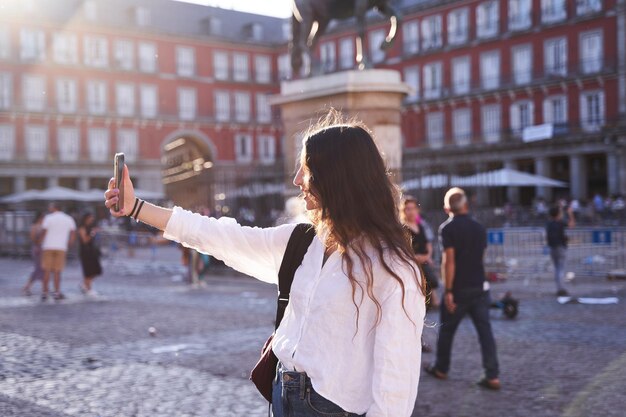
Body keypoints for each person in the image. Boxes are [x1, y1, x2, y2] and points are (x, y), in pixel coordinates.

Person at [104, 112, 426, 417]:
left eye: (307, 168)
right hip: (281, 395)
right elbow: (219, 235)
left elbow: (395, 387)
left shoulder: (394, 269)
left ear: (337, 177)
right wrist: (136, 208)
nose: (297, 178)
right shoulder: (302, 242)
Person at [424, 187, 500, 390]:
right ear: (466, 205)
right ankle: (492, 375)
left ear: (447, 208)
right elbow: (480, 259)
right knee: (485, 333)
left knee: (447, 331)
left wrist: (448, 291)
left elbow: (449, 261)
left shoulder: (448, 229)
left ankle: (441, 368)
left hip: (458, 289)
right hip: (480, 286)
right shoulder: (479, 228)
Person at [400, 196, 439, 309]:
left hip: (424, 261)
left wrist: (428, 256)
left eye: (413, 208)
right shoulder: (402, 228)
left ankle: (432, 299)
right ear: (403, 211)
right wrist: (417, 258)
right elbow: (403, 249)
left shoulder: (421, 226)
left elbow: (428, 243)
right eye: (408, 208)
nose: (411, 211)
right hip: (411, 263)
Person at [40, 203, 77, 301]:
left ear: (54, 208)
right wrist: (69, 243)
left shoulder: (48, 218)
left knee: (47, 270)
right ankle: (57, 292)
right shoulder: (68, 219)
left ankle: (45, 292)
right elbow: (73, 233)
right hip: (61, 247)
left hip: (48, 246)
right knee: (57, 271)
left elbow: (44, 231)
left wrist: (40, 242)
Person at [546, 205, 575, 296]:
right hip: (560, 247)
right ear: (558, 214)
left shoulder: (549, 223)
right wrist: (570, 213)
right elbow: (571, 225)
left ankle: (558, 287)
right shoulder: (560, 222)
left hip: (552, 247)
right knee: (561, 268)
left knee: (557, 269)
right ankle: (561, 289)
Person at [78, 212, 103, 296]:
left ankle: (85, 285)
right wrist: (93, 233)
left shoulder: (90, 227)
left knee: (95, 270)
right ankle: (88, 288)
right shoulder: (82, 228)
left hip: (92, 251)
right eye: (90, 218)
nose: (92, 219)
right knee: (88, 270)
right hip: (85, 252)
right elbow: (85, 240)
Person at [22, 212, 45, 296]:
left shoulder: (42, 226)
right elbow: (32, 237)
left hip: (42, 248)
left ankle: (43, 288)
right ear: (39, 218)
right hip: (37, 248)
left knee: (42, 269)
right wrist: (38, 244)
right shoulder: (35, 226)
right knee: (39, 268)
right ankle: (27, 287)